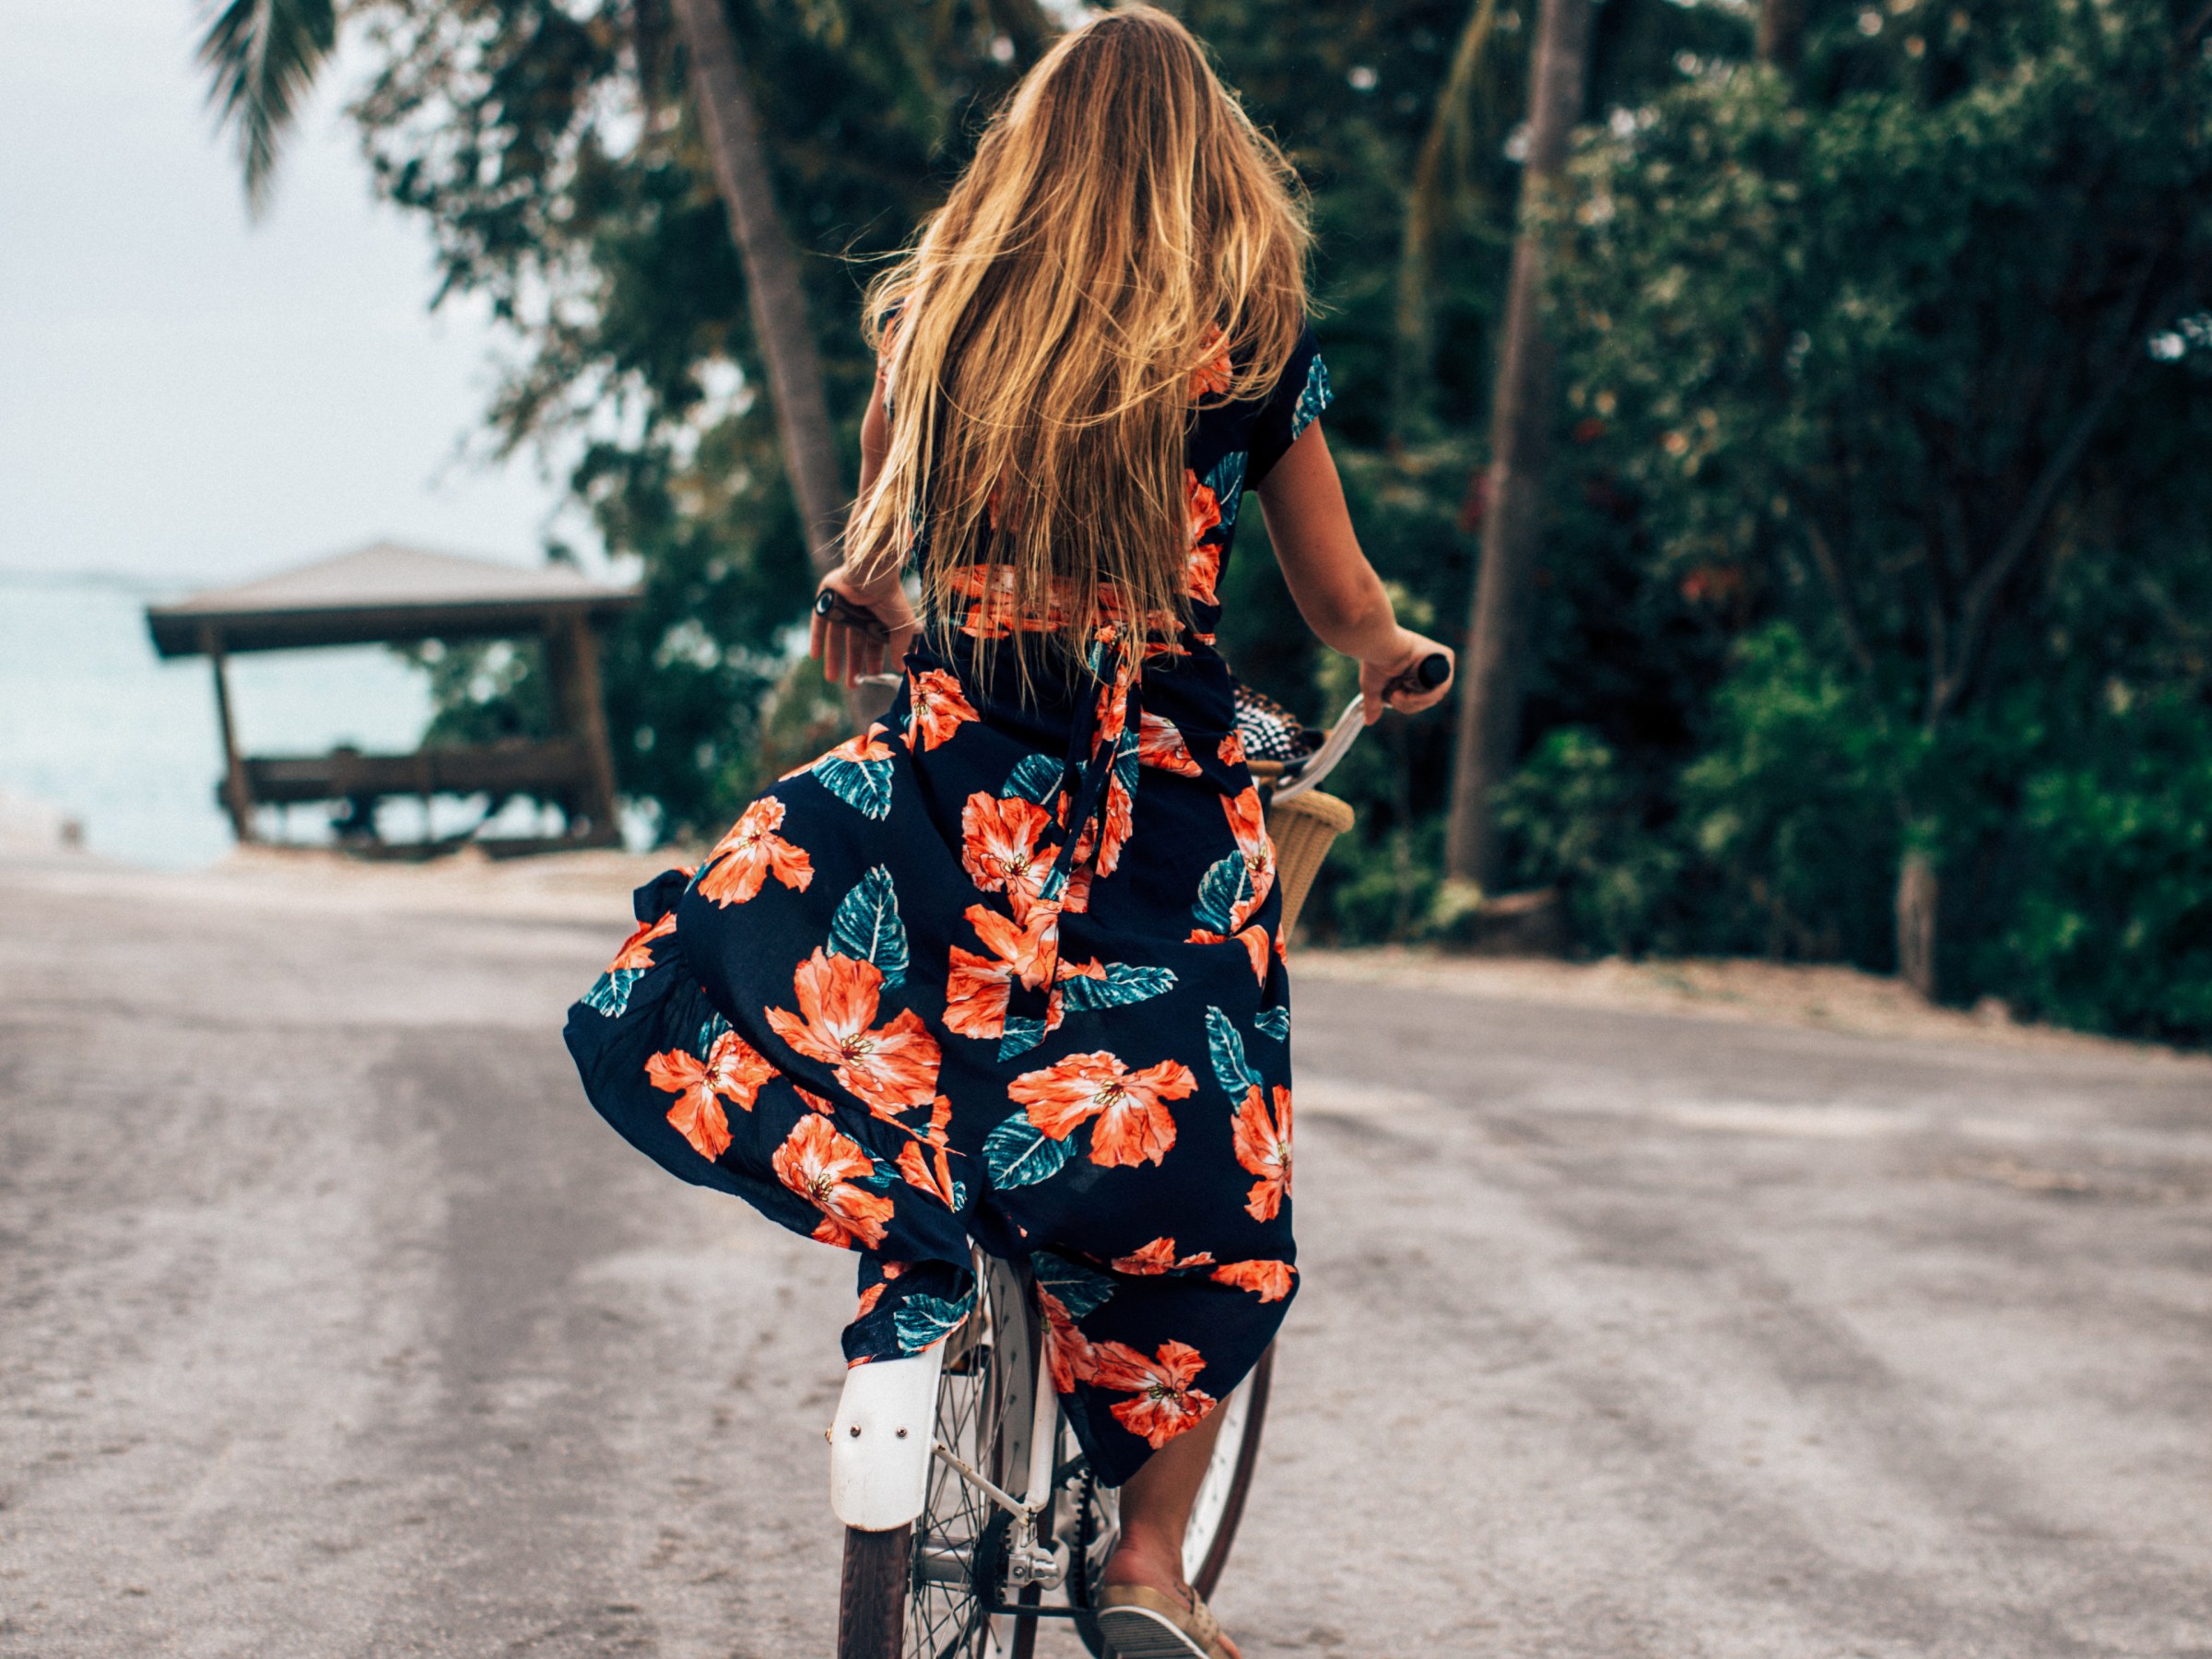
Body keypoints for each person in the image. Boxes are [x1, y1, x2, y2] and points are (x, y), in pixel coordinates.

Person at [564, 9, 1452, 1655]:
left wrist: (870, 601)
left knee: (768, 968)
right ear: (1208, 163)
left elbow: (876, 554)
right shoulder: (1250, 345)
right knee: (1213, 1174)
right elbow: (1341, 600)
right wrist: (1391, 653)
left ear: (1029, 151)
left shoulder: (939, 319)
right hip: (1159, 812)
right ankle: (1150, 1569)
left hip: (957, 784)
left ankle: (930, 1239)